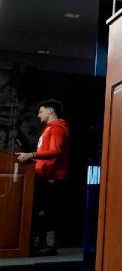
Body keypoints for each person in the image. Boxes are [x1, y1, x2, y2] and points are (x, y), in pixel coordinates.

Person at [16, 99, 70, 255]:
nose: (38, 115)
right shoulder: (48, 129)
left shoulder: (57, 129)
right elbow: (47, 154)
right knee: (40, 211)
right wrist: (32, 158)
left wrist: (31, 154)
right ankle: (39, 243)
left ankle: (49, 245)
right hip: (42, 176)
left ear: (50, 111)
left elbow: (56, 152)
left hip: (51, 177)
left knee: (48, 211)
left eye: (41, 111)